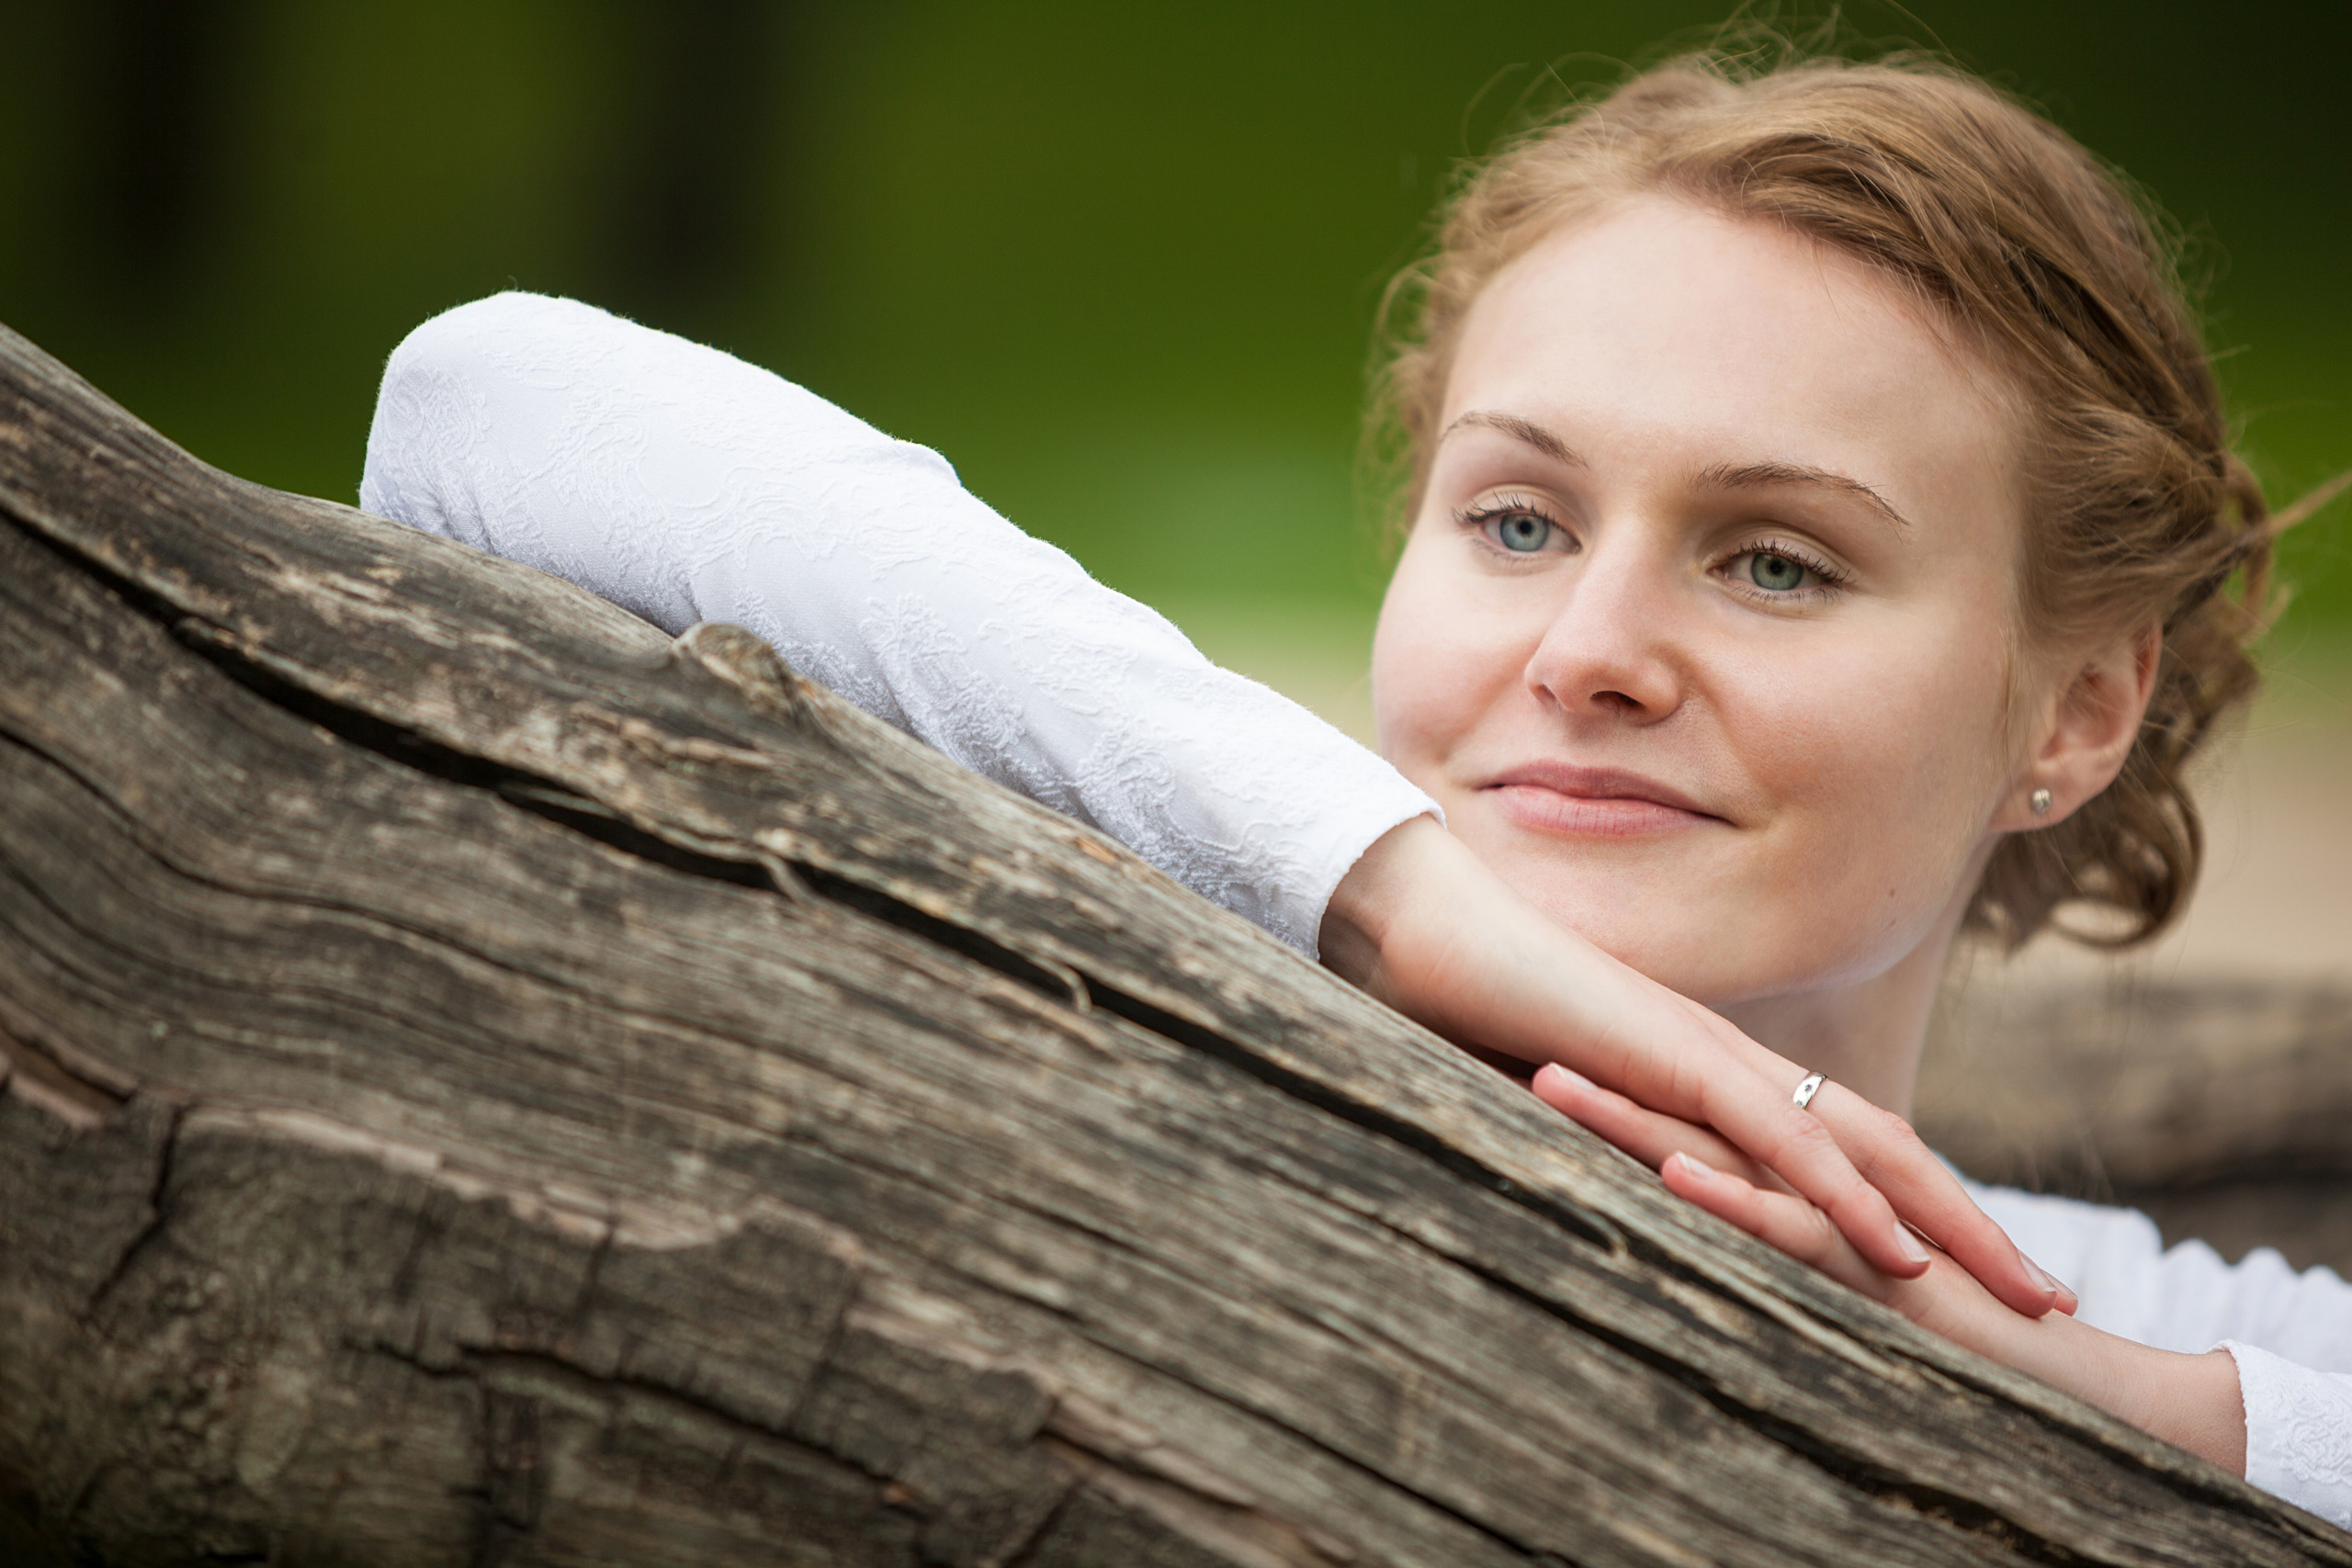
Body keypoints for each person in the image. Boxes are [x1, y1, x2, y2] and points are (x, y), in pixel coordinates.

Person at [360, 48, 2352, 1523]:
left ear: (2076, 709)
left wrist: (2094, 1394)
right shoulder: (1149, 933)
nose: (1584, 647)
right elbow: (485, 400)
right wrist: (1403, 903)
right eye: (1511, 518)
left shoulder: (2086, 1299)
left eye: (1773, 560)